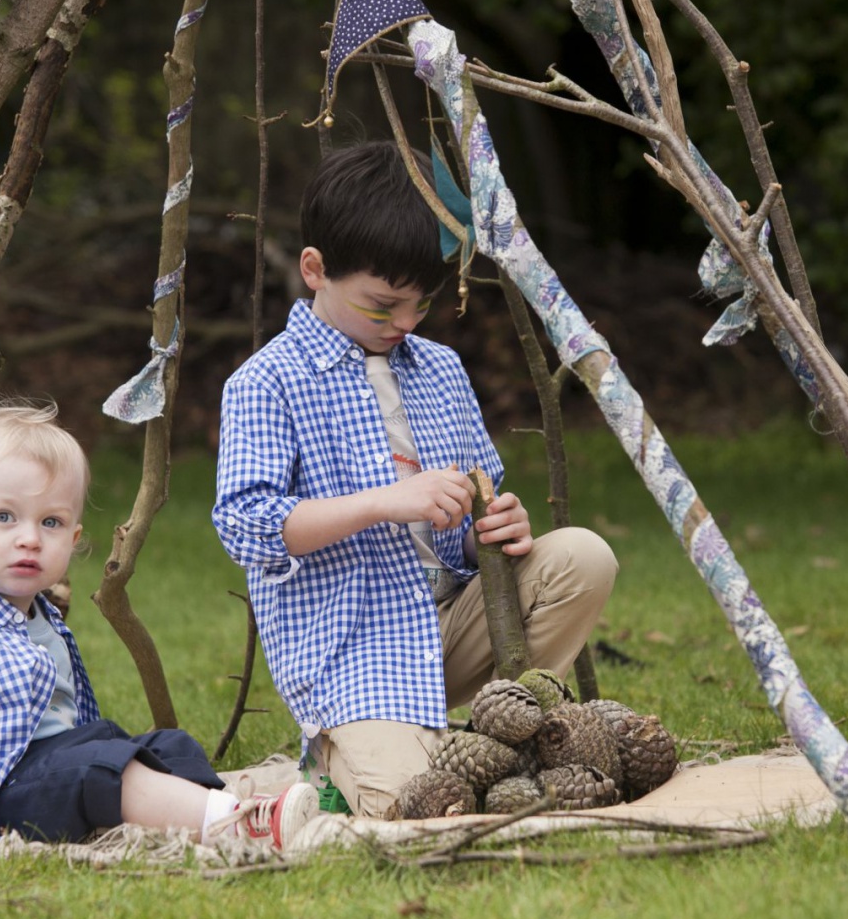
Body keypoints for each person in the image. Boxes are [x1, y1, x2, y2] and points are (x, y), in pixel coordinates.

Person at [212, 141, 618, 819]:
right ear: (315, 270)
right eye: (382, 306)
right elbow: (248, 529)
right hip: (355, 661)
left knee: (583, 558)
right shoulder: (266, 383)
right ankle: (312, 774)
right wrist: (380, 503)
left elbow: (463, 529)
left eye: (421, 307)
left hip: (450, 626)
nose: (403, 323)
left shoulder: (439, 371)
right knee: (414, 804)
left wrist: (491, 531)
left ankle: (494, 734)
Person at [0, 401, 318, 851]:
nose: (29, 538)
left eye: (50, 522)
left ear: (72, 540)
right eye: (3, 517)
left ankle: (209, 814)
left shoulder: (40, 617)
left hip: (47, 772)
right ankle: (235, 824)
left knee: (166, 745)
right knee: (99, 769)